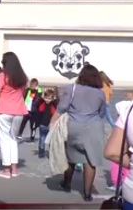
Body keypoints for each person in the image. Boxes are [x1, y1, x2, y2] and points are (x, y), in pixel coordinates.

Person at [51, 64, 107, 201]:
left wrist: (52, 124)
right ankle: (87, 194)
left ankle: (66, 183)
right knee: (90, 161)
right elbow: (102, 112)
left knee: (70, 157)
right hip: (94, 127)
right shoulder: (100, 92)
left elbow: (62, 108)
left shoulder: (72, 89)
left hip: (74, 125)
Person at [0, 52, 29, 179]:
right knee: (13, 139)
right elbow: (23, 94)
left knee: (4, 140)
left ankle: (6, 169)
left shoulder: (2, 76)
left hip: (3, 110)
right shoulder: (23, 78)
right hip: (19, 111)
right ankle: (14, 169)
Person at [108, 93, 133, 191]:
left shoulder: (128, 110)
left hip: (130, 191)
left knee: (116, 164)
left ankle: (116, 183)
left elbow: (111, 153)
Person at [32, 88, 58, 158]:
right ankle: (41, 152)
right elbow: (36, 104)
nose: (47, 100)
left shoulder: (53, 105)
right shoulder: (41, 103)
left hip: (51, 125)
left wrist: (54, 98)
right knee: (42, 139)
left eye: (49, 99)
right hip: (42, 125)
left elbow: (58, 104)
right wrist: (42, 97)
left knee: (51, 140)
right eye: (46, 98)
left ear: (52, 99)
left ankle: (51, 153)